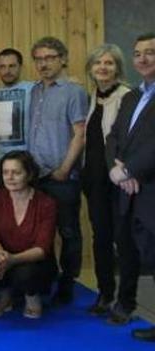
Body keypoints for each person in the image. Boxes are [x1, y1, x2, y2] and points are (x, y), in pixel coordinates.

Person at [28, 36, 87, 305]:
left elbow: (80, 134)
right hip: (36, 176)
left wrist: (65, 168)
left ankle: (67, 283)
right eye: (39, 59)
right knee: (42, 233)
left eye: (50, 57)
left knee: (68, 231)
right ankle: (46, 279)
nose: (44, 63)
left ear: (62, 59)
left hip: (62, 177)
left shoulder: (74, 92)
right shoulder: (35, 91)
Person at [82, 44, 138, 324]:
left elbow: (130, 141)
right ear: (91, 69)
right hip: (94, 181)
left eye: (109, 63)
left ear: (118, 67)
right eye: (98, 63)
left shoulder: (128, 96)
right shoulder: (93, 96)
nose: (103, 68)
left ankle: (126, 302)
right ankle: (105, 294)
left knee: (123, 241)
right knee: (101, 238)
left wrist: (125, 171)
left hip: (119, 181)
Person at [106, 32, 155, 342]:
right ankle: (125, 304)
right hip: (128, 188)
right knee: (127, 249)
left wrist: (129, 170)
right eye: (137, 53)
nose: (142, 58)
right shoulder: (132, 96)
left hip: (150, 188)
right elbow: (114, 137)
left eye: (150, 53)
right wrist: (118, 169)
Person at [0, 151, 57, 320]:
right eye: (6, 172)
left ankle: (32, 296)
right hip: (5, 258)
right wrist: (1, 255)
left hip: (35, 262)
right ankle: (5, 297)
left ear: (29, 174)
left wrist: (12, 259)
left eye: (16, 172)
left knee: (26, 274)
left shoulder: (46, 203)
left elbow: (42, 248)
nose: (10, 177)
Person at [0, 48, 34, 188]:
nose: (7, 71)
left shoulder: (34, 89)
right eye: (3, 67)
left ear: (20, 66)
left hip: (25, 162)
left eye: (12, 66)